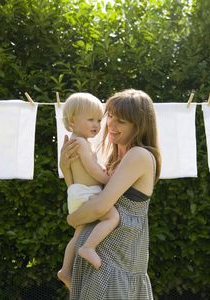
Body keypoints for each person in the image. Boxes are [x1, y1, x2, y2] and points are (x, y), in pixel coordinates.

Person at [60, 89, 161, 299]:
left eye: (121, 121)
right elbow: (79, 191)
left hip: (116, 265)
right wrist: (65, 165)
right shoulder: (114, 159)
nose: (111, 125)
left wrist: (73, 219)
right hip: (100, 265)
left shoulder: (139, 155)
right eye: (111, 117)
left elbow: (99, 207)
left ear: (138, 125)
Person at [57, 92, 120, 290]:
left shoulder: (72, 142)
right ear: (73, 120)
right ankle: (89, 247)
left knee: (78, 233)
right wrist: (109, 180)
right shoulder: (81, 143)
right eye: (91, 119)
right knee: (112, 217)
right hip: (86, 193)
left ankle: (65, 270)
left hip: (77, 193)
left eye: (99, 120)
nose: (96, 124)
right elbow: (92, 169)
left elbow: (71, 171)